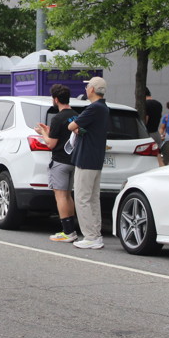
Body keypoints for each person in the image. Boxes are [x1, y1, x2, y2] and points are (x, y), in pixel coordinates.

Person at [68, 76, 109, 249]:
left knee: (82, 198)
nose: (86, 89)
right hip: (96, 158)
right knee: (93, 198)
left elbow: (71, 126)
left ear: (92, 89)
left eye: (87, 87)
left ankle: (90, 236)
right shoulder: (104, 108)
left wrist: (77, 128)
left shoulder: (93, 108)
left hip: (85, 158)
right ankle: (96, 234)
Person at [35, 84, 79, 242]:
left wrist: (43, 133)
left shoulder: (57, 118)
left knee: (60, 196)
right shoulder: (76, 115)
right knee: (68, 195)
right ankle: (72, 229)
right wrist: (49, 131)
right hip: (73, 161)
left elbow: (51, 144)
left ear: (55, 99)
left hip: (60, 161)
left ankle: (67, 232)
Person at [144, 87, 165, 166]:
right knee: (159, 158)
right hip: (156, 133)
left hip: (148, 135)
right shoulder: (158, 104)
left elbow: (146, 119)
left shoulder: (145, 104)